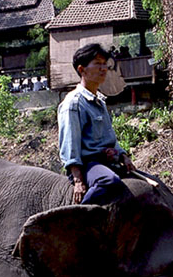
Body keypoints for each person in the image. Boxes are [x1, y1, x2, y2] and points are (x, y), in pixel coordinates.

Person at [57, 42, 134, 205]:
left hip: (107, 160)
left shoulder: (100, 100)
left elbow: (109, 136)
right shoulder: (74, 103)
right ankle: (77, 218)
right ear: (81, 69)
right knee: (109, 182)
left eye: (105, 64)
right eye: (97, 64)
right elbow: (70, 144)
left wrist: (123, 155)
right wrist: (78, 179)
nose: (103, 68)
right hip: (88, 165)